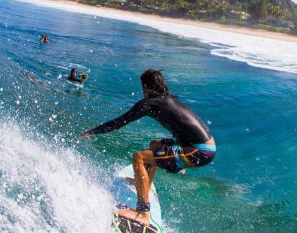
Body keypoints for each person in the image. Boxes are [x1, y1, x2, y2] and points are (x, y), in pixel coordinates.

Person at [80, 69, 216, 226]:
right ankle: (147, 186)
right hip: (201, 147)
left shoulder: (150, 103)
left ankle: (142, 212)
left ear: (147, 87)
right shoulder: (167, 100)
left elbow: (120, 122)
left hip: (198, 151)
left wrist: (93, 132)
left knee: (139, 157)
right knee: (155, 145)